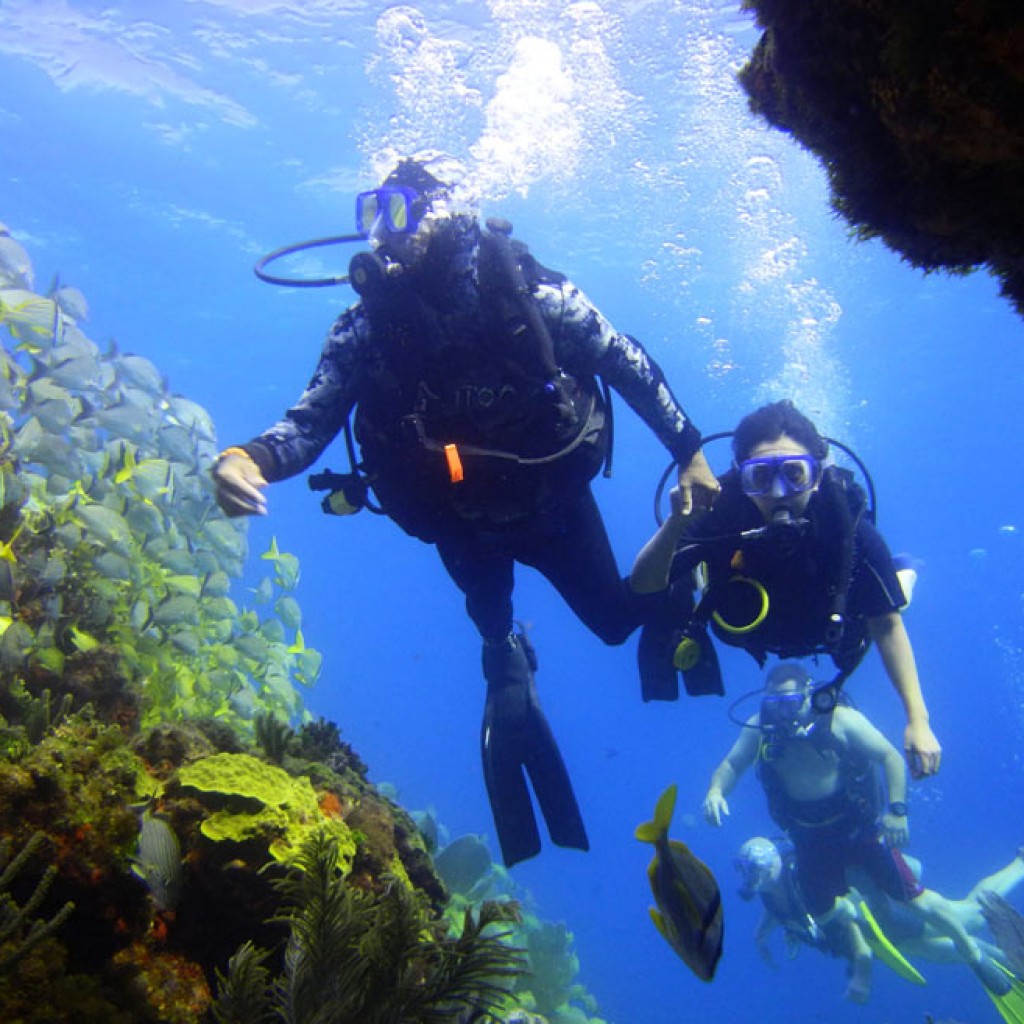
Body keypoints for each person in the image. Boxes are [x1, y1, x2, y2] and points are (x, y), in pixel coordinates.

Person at [212, 150, 720, 868]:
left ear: (444, 208)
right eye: (370, 214)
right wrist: (245, 458)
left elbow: (623, 360)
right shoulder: (364, 328)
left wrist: (690, 449)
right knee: (493, 625)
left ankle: (680, 572)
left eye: (399, 211)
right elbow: (309, 419)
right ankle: (509, 664)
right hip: (460, 524)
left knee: (612, 622)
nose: (381, 232)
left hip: (551, 504)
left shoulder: (529, 293)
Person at [630, 398, 941, 778]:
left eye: (795, 474)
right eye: (760, 477)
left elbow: (887, 625)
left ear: (818, 474)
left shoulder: (844, 521)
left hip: (833, 626)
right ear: (740, 476)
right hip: (751, 627)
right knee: (690, 573)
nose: (779, 493)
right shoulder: (720, 507)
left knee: (896, 603)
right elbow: (644, 585)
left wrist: (917, 720)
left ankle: (902, 573)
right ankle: (701, 571)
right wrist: (676, 525)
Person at [701, 662, 1019, 1009]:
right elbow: (732, 764)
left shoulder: (840, 719)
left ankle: (976, 952)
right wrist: (716, 791)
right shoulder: (760, 729)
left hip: (857, 832)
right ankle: (973, 945)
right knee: (825, 913)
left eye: (790, 702)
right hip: (809, 841)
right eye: (775, 704)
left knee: (921, 903)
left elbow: (890, 756)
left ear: (808, 695)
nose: (782, 714)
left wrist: (897, 812)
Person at [734, 835, 1024, 970]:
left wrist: (861, 963)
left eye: (758, 865)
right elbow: (777, 911)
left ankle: (1020, 864)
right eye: (748, 869)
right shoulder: (769, 892)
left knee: (972, 915)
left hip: (886, 914)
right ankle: (1008, 960)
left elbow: (845, 906)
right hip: (878, 936)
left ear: (775, 859)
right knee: (941, 952)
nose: (754, 874)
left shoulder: (805, 872)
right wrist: (762, 938)